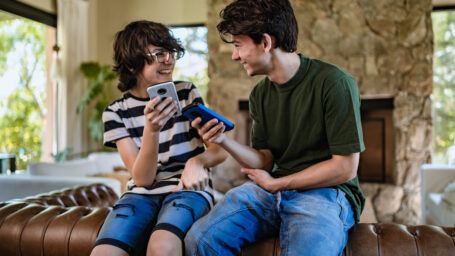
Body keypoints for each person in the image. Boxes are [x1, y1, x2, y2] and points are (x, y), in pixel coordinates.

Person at [184, 0, 365, 255]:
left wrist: (279, 184)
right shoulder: (260, 94)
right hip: (271, 190)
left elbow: (345, 168)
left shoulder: (335, 83)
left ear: (266, 43)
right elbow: (265, 160)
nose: (235, 56)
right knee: (199, 242)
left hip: (325, 193)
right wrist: (223, 140)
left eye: (238, 45)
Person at [90, 20, 227, 256]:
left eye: (171, 52)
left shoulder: (186, 93)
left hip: (187, 191)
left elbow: (220, 149)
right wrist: (151, 131)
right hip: (139, 195)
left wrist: (198, 162)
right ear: (132, 65)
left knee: (161, 246)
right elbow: (142, 179)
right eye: (159, 54)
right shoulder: (115, 113)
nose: (169, 60)